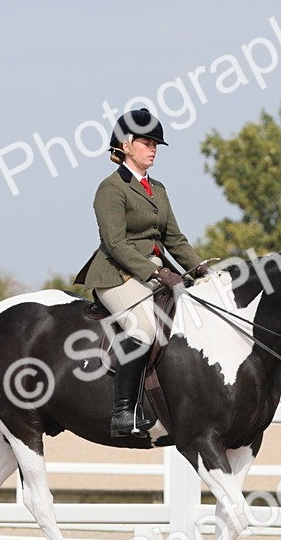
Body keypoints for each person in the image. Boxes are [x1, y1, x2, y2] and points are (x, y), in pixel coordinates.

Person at [74, 108, 210, 437]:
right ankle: (123, 412)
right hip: (115, 275)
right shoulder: (110, 189)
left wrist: (201, 269)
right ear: (124, 145)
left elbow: (174, 238)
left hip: (150, 274)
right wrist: (157, 273)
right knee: (144, 327)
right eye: (146, 142)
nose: (153, 149)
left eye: (155, 144)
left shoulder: (158, 189)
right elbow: (116, 243)